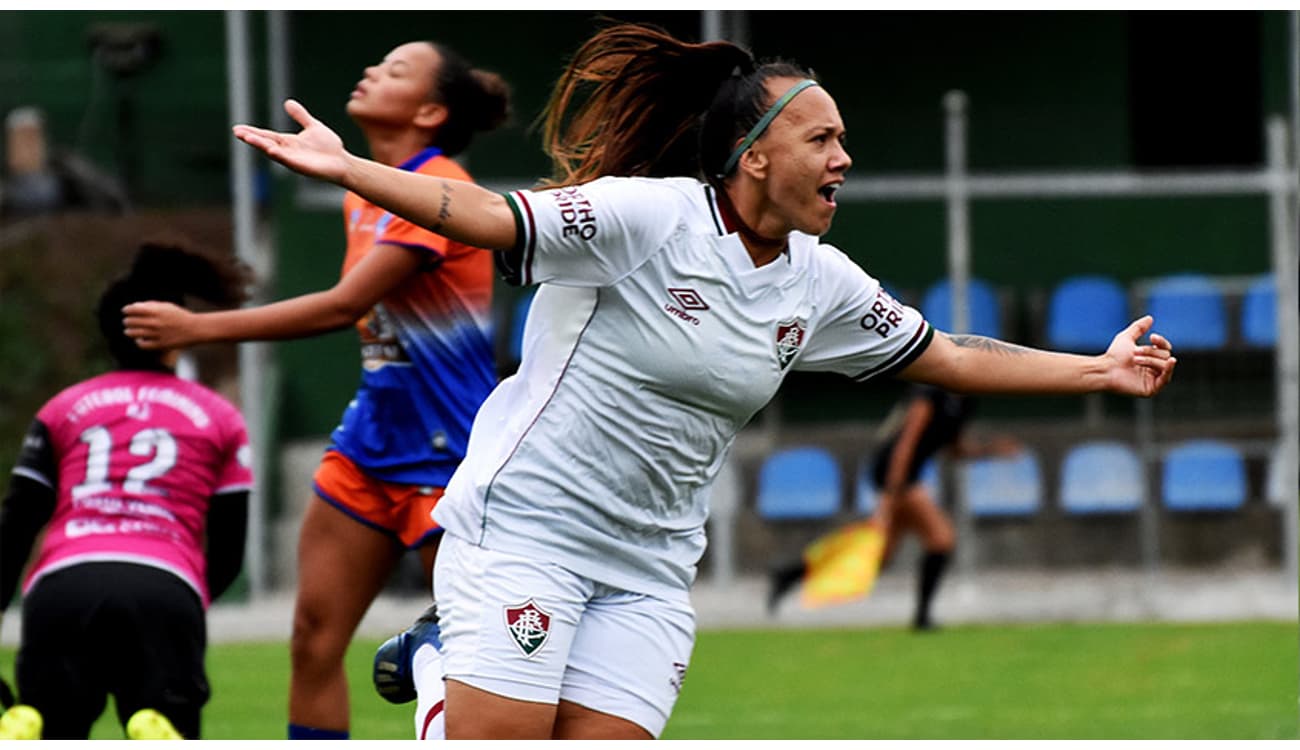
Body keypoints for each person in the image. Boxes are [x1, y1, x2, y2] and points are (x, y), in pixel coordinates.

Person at [214, 21, 1176, 740]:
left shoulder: (820, 280)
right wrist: (349, 171)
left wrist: (1099, 366)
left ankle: (439, 656)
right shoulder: (648, 217)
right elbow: (481, 214)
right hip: (528, 531)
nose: (844, 157)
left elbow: (951, 354)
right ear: (755, 157)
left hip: (651, 568)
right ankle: (436, 660)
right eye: (823, 139)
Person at [121, 40, 510, 740]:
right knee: (312, 639)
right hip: (370, 444)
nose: (368, 71)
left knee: (481, 657)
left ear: (429, 111)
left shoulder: (438, 186)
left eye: (393, 70)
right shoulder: (366, 192)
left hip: (452, 453)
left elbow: (339, 307)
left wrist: (199, 329)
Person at [0, 238, 254, 739]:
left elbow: (16, 526)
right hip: (163, 585)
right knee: (165, 718)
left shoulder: (63, 408)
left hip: (64, 587)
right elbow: (227, 550)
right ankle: (150, 718)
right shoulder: (219, 417)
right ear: (176, 333)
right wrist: (187, 598)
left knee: (54, 721)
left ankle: (32, 721)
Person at [766, 385, 1021, 629]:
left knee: (878, 554)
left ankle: (788, 574)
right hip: (895, 475)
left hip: (908, 477)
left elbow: (954, 450)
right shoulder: (929, 396)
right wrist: (889, 497)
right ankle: (922, 618)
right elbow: (905, 445)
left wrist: (991, 451)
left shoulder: (964, 404)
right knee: (941, 540)